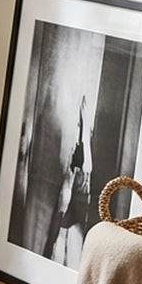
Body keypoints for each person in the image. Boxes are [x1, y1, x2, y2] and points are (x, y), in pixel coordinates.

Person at [45, 95, 93, 266]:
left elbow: (85, 167)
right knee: (60, 233)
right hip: (68, 195)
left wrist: (85, 124)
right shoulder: (73, 152)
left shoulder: (84, 157)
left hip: (76, 197)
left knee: (69, 234)